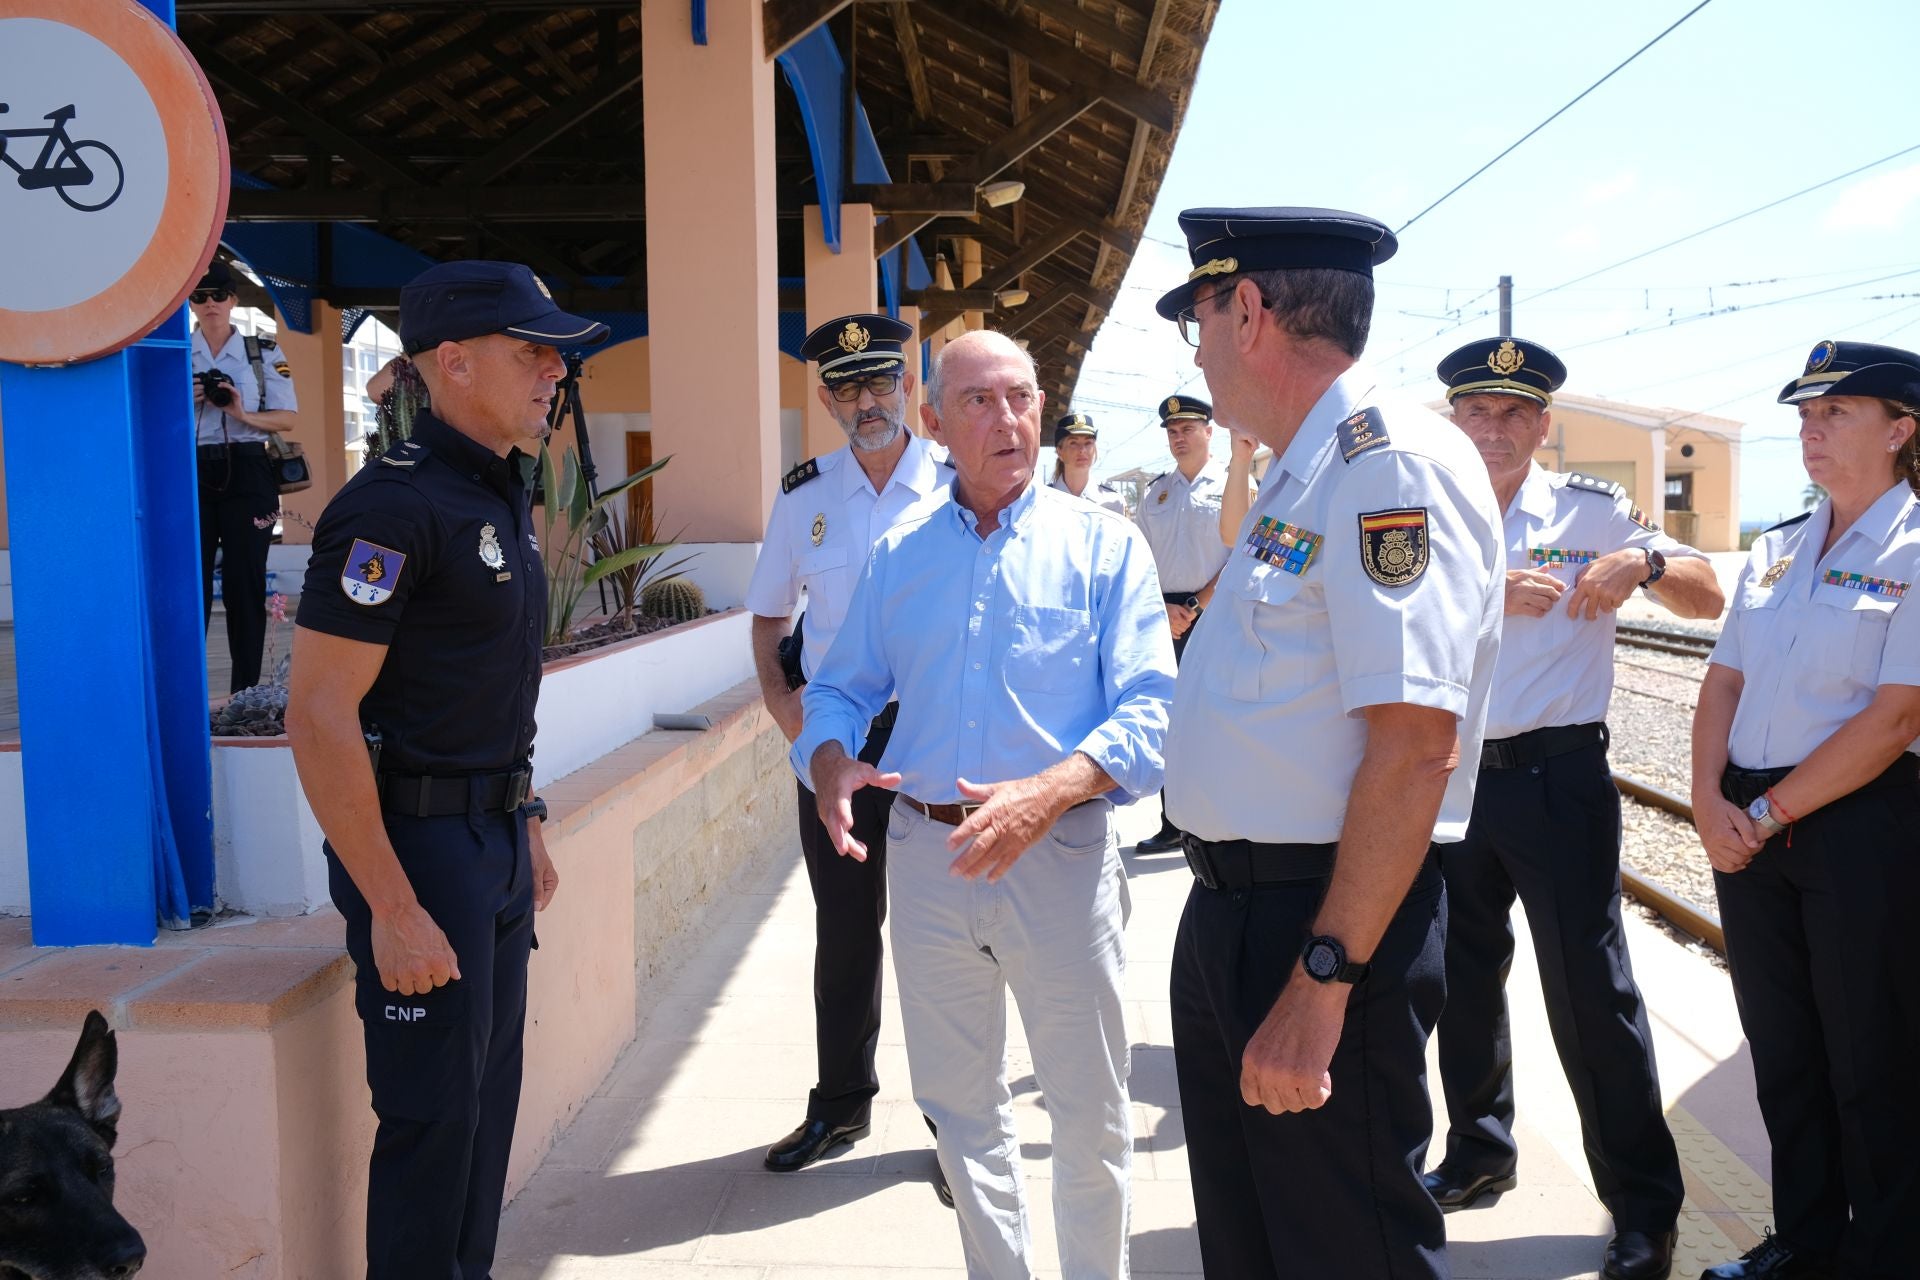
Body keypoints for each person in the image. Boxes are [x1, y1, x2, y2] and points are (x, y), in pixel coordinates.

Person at [1154, 206, 1504, 1280]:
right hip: (1234, 910)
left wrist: (1322, 975)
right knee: (1255, 1248)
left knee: (1348, 1250)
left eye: (1198, 320)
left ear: (1248, 310)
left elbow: (1413, 749)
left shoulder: (1384, 468)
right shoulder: (1303, 471)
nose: (1199, 351)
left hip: (1319, 917)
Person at [796, 329, 1175, 1280]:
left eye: (1022, 396)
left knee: (1087, 1114)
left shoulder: (1105, 546)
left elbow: (1154, 711)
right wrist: (831, 757)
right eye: (979, 401)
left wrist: (1051, 790)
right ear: (934, 423)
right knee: (963, 1114)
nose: (1008, 419)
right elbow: (839, 684)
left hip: (1060, 858)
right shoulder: (900, 555)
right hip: (927, 863)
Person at [285, 260, 603, 1279]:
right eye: (531, 349)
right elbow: (320, 715)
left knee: (480, 1117)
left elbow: (482, 687)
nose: (554, 368)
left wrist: (529, 814)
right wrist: (391, 903)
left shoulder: (495, 492)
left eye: (554, 351)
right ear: (453, 363)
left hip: (495, 846)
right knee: (429, 1127)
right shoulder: (392, 510)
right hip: (419, 855)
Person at [1423, 337, 1724, 1280]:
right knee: (1461, 978)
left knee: (1592, 994)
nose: (1496, 428)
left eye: (1516, 413)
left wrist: (1639, 560)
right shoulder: (1419, 509)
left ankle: (1644, 1207)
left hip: (1558, 782)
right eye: (1478, 410)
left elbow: (1706, 596)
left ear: (1543, 426)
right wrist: (1481, 595)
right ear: (1454, 420)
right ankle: (1479, 1151)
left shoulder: (1593, 512)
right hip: (1453, 773)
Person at [1691, 340, 1920, 1280]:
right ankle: (1805, 1241)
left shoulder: (1914, 547)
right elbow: (1724, 681)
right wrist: (1707, 800)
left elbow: (1897, 714)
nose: (1809, 432)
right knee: (1784, 1048)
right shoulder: (1778, 547)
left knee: (1871, 1056)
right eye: (1803, 417)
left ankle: (1888, 1254)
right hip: (1754, 823)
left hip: (1859, 824)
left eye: (1835, 415)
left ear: (1902, 430)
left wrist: (1770, 810)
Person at [743, 313, 954, 1191]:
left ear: (907, 386)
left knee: (952, 938)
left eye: (881, 382)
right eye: (847, 388)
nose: (867, 402)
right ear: (827, 399)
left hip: (938, 737)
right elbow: (766, 622)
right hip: (836, 747)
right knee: (844, 929)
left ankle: (959, 1125)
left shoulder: (956, 483)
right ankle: (840, 1103)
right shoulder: (805, 499)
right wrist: (798, 729)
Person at [190, 260, 299, 692]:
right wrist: (187, 398)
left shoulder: (263, 352)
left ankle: (246, 690)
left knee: (244, 580)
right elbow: (150, 419)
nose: (210, 304)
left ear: (234, 300)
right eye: (200, 297)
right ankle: (188, 692)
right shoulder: (177, 352)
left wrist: (239, 411)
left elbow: (288, 419)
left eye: (219, 295)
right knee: (190, 580)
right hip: (193, 468)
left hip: (250, 467)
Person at [1134, 392, 1233, 855]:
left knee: (1218, 718)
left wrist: (1195, 603)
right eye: (1172, 432)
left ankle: (1223, 817)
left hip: (1216, 612)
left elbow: (1247, 551)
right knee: (1169, 724)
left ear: (1209, 432)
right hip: (1164, 615)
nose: (1179, 437)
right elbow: (1140, 561)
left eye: (1188, 429)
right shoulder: (1156, 492)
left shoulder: (1235, 484)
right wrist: (1163, 607)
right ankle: (1174, 821)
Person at [1049, 410, 1129, 513]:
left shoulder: (1114, 502)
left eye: (1088, 443)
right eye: (1073, 443)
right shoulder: (1042, 500)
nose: (1082, 450)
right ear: (1059, 451)